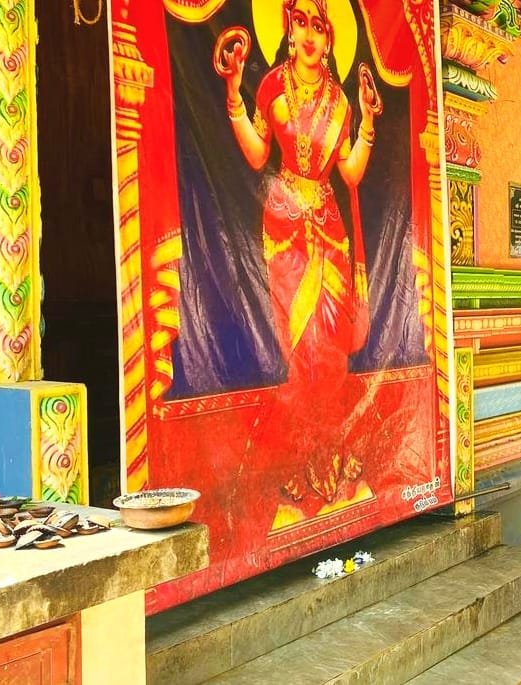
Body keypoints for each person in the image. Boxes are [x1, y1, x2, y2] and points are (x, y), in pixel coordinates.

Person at [216, 0, 382, 509]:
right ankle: (298, 466)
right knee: (300, 350)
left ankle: (329, 461)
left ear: (329, 39)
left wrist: (368, 121)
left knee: (330, 353)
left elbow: (350, 173)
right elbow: (257, 155)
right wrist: (233, 92)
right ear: (289, 30)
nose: (309, 34)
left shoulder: (340, 102)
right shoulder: (271, 87)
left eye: (319, 26)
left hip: (329, 230)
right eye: (301, 23)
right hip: (286, 228)